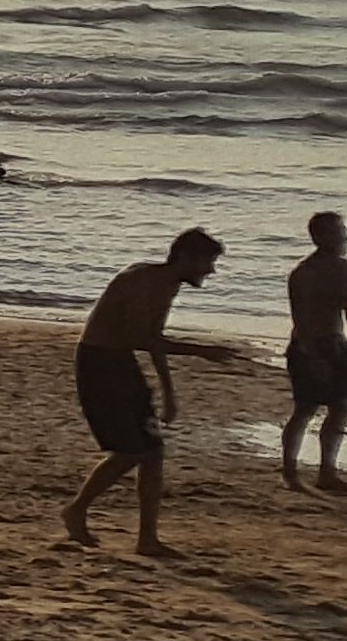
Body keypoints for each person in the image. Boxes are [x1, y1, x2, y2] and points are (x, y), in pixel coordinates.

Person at [62, 227, 242, 556]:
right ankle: (77, 509)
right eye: (208, 262)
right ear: (186, 257)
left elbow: (152, 338)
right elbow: (140, 338)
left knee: (153, 451)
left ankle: (147, 539)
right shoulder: (145, 281)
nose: (211, 270)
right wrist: (202, 351)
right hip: (99, 364)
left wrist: (168, 391)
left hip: (121, 362)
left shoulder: (168, 283)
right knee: (132, 451)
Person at [281, 210, 347, 494]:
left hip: (324, 343)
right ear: (319, 237)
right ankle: (300, 471)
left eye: (343, 230)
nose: (344, 236)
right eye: (336, 231)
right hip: (317, 344)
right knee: (311, 409)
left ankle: (318, 471)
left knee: (333, 407)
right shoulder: (331, 269)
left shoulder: (305, 271)